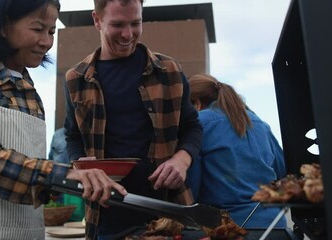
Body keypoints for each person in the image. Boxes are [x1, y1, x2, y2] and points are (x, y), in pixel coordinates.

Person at [0, 1, 126, 239]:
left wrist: (78, 172)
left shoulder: (30, 93)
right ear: (3, 27)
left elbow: (32, 168)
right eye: (37, 29)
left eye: (51, 32)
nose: (47, 42)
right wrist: (62, 174)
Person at [63, 0, 203, 238]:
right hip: (106, 217)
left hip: (170, 213)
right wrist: (80, 163)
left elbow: (192, 127)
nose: (128, 34)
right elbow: (72, 136)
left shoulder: (169, 71)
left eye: (136, 23)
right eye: (117, 24)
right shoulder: (75, 79)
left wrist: (182, 159)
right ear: (97, 20)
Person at [186, 73, 287, 228]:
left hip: (228, 227)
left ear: (196, 103)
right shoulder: (259, 123)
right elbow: (283, 171)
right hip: (275, 224)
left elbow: (191, 189)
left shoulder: (199, 124)